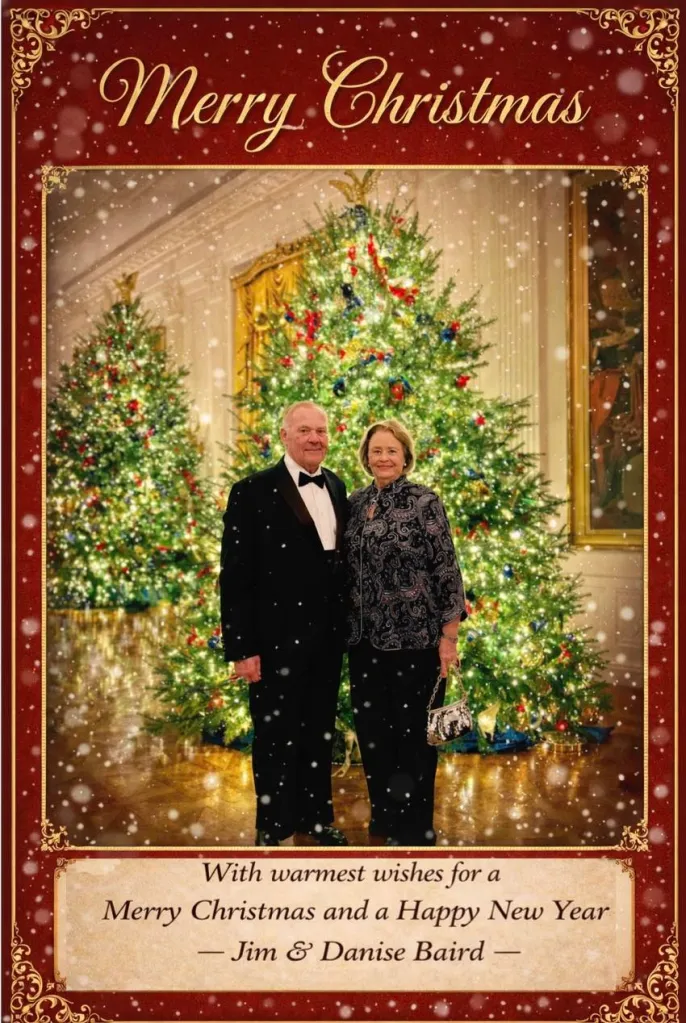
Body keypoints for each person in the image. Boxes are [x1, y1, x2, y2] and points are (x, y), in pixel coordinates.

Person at [219, 401, 349, 847]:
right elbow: (235, 576)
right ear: (285, 436)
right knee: (275, 733)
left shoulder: (336, 484)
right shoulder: (251, 491)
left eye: (322, 430)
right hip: (273, 642)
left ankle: (315, 818)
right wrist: (241, 648)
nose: (316, 438)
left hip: (328, 641)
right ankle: (273, 825)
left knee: (318, 731)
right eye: (306, 430)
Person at [345, 419, 467, 847]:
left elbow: (447, 570)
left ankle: (416, 826)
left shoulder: (424, 502)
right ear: (366, 457)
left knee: (413, 737)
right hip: (363, 642)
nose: (383, 458)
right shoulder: (356, 503)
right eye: (376, 451)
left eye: (391, 451)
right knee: (374, 734)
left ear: (405, 456)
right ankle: (384, 817)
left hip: (415, 640)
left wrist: (448, 638)